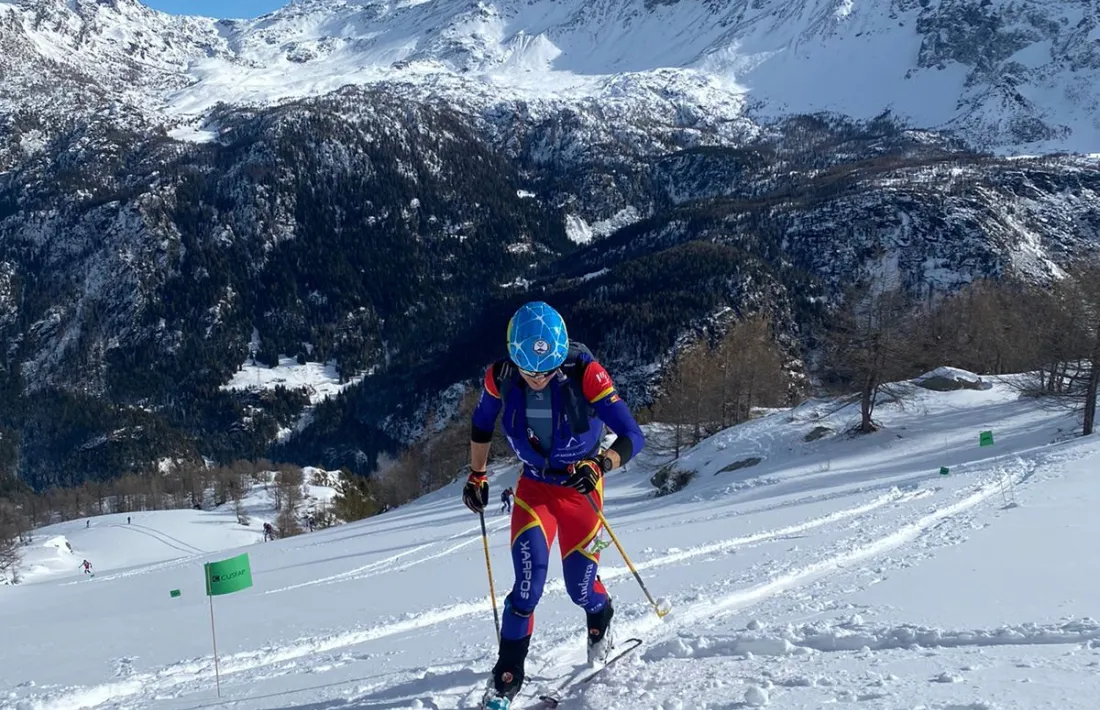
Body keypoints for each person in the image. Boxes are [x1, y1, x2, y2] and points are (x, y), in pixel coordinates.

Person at [462, 301, 645, 708]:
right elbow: (481, 424)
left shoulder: (587, 374)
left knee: (581, 586)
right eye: (531, 372)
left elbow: (633, 434)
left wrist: (601, 464)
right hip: (535, 489)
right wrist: (477, 475)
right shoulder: (501, 377)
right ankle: (509, 670)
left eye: (547, 371)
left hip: (581, 489)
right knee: (528, 584)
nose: (540, 379)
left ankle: (600, 614)